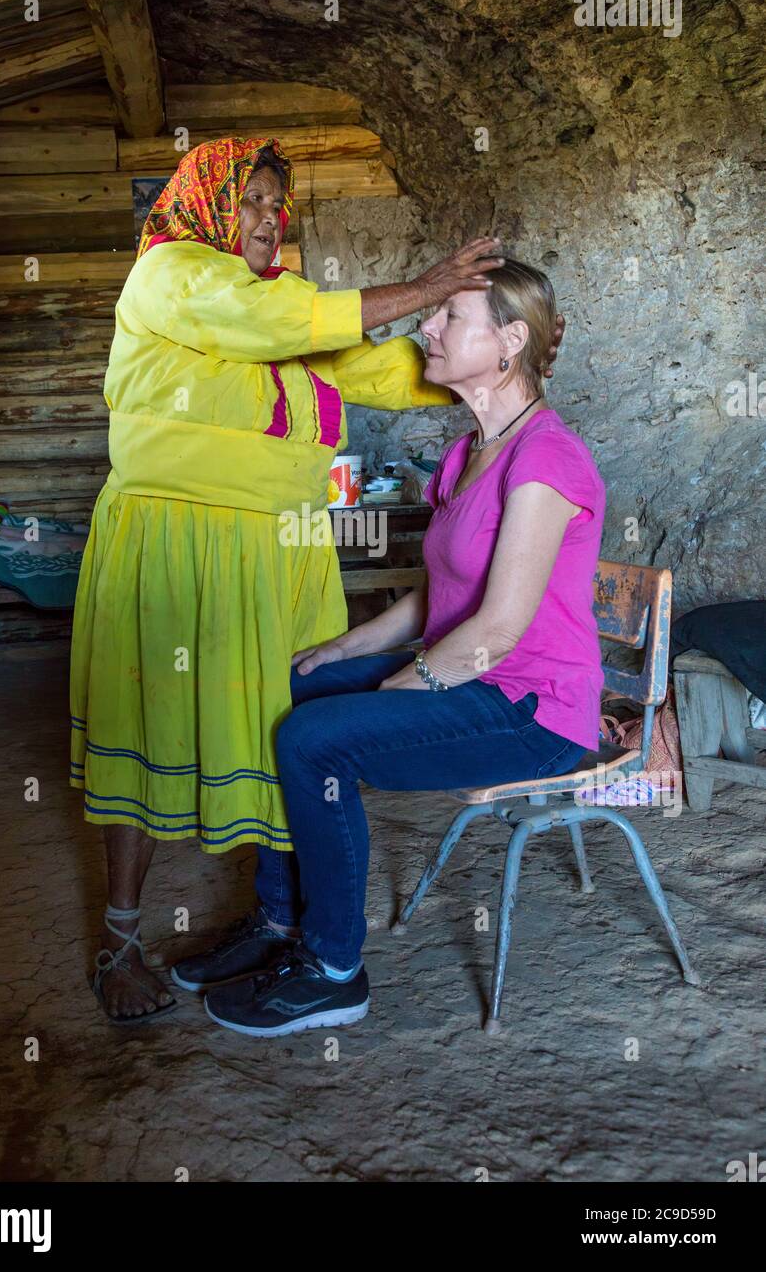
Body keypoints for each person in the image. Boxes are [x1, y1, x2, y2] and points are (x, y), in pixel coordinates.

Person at [70, 132, 519, 1022]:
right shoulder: (169, 274)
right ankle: (119, 940)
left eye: (279, 207)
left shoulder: (281, 304)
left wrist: (492, 355)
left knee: (282, 722)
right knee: (152, 722)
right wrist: (429, 286)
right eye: (254, 202)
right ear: (206, 203)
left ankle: (281, 924)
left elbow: (375, 369)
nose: (271, 221)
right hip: (177, 549)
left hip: (278, 556)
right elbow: (267, 324)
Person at [202, 257, 606, 1037]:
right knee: (296, 692)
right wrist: (343, 651)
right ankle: (281, 920)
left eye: (449, 318)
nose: (426, 326)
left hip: (533, 709)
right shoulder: (468, 454)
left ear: (509, 340)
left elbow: (494, 632)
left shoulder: (546, 458)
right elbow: (438, 593)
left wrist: (393, 693)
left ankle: (332, 970)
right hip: (478, 682)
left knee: (317, 742)